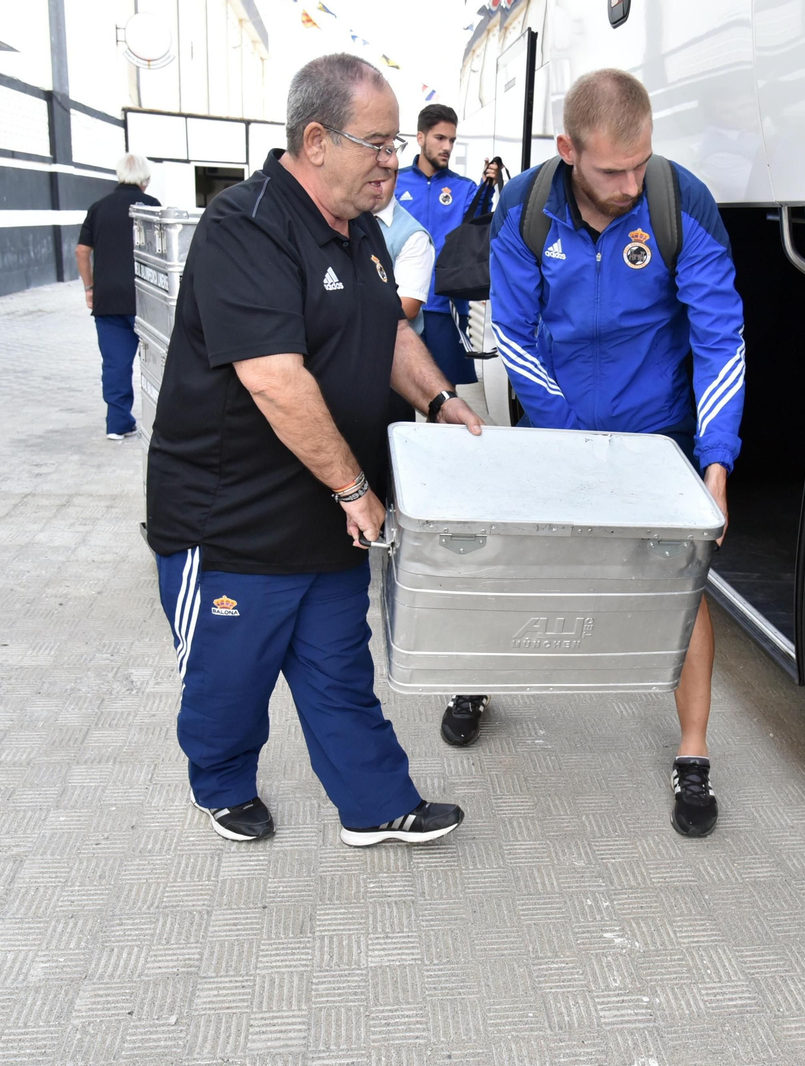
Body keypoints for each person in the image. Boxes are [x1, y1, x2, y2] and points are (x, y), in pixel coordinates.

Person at [144, 54, 483, 847]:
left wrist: (438, 398)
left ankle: (375, 803)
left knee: (340, 674)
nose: (395, 161)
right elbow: (275, 381)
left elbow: (387, 329)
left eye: (398, 143)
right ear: (317, 139)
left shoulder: (362, 227)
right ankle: (222, 786)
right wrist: (355, 491)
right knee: (229, 684)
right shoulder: (246, 225)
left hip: (329, 517)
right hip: (231, 523)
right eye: (381, 143)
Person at [485, 69, 746, 838]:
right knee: (517, 563)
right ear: (567, 150)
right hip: (558, 429)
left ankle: (693, 751)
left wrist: (716, 466)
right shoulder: (526, 208)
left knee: (684, 581)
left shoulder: (676, 202)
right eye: (610, 170)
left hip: (653, 435)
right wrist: (567, 437)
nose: (631, 185)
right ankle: (474, 677)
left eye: (641, 164)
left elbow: (719, 339)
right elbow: (513, 333)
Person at [75, 154, 161, 440]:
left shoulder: (98, 208)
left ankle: (118, 423)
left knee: (115, 363)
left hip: (108, 299)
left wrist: (90, 287)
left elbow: (82, 251)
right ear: (145, 180)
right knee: (160, 362)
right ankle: (163, 422)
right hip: (147, 299)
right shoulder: (151, 207)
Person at [392, 104, 478, 387]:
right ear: (420, 137)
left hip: (446, 305)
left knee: (445, 396)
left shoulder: (466, 188)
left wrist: (487, 190)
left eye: (452, 140)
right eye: (440, 138)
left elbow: (474, 235)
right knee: (397, 392)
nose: (447, 147)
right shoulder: (394, 181)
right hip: (399, 303)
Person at [371, 167, 433, 335]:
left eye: (382, 181)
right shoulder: (346, 219)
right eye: (370, 180)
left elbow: (408, 307)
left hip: (393, 350)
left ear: (396, 179)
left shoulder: (413, 235)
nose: (376, 188)